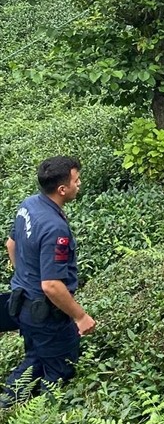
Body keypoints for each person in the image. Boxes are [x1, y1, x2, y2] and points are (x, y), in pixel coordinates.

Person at [2, 156, 95, 405]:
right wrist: (80, 316)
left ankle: (7, 403)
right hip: (45, 313)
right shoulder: (54, 228)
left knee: (36, 357)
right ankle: (45, 416)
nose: (79, 184)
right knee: (59, 369)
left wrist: (26, 276)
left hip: (22, 303)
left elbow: (11, 244)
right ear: (62, 189)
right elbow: (51, 285)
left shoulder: (29, 204)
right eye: (76, 180)